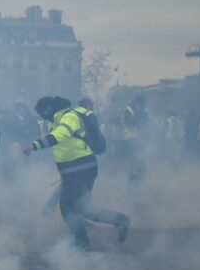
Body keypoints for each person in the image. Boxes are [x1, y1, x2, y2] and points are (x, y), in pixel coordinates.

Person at [22, 96, 129, 249]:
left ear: (48, 110)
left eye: (42, 114)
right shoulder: (57, 120)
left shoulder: (69, 116)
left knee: (82, 207)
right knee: (68, 207)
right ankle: (82, 240)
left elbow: (61, 135)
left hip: (83, 168)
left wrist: (34, 145)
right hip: (71, 170)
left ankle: (118, 221)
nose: (42, 118)